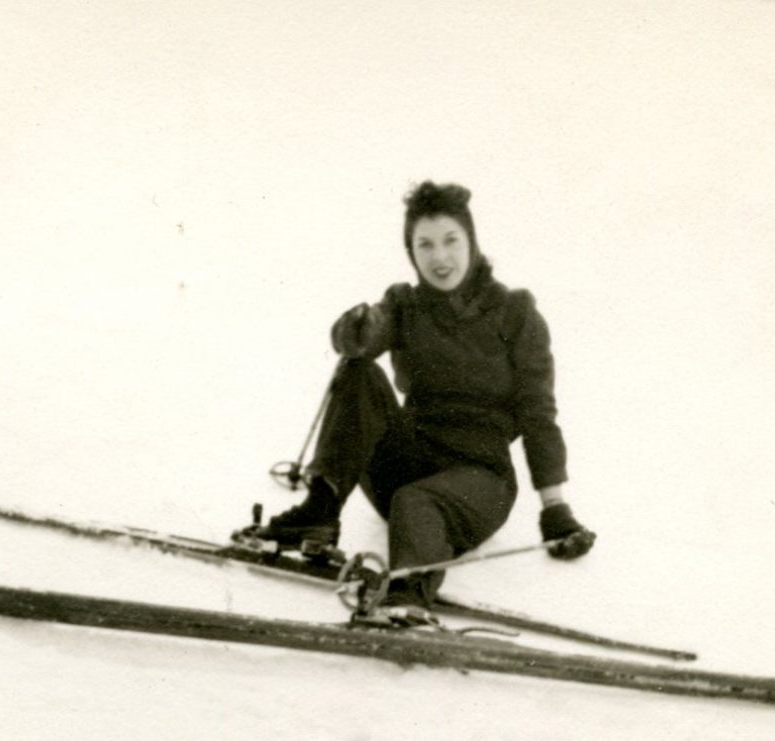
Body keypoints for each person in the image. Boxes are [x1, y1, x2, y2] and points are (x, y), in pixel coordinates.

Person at [254, 180, 595, 617]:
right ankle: (319, 511)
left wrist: (555, 507)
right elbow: (370, 334)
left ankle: (407, 595)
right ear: (411, 252)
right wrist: (355, 331)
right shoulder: (404, 305)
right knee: (359, 371)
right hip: (407, 459)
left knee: (416, 502)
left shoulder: (515, 312)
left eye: (451, 240)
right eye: (425, 244)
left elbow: (538, 411)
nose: (439, 257)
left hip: (480, 480)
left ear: (471, 241)